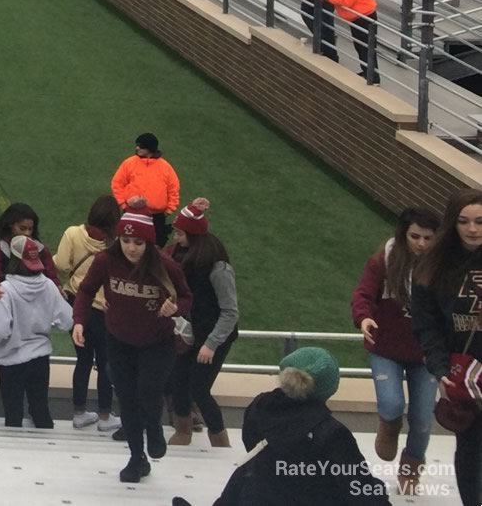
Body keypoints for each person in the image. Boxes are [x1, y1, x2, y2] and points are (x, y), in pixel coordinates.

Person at [73, 210, 190, 484]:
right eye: (126, 241)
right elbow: (87, 289)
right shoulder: (106, 261)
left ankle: (155, 427)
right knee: (126, 398)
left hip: (158, 342)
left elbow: (186, 296)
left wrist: (175, 309)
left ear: (148, 243)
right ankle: (137, 458)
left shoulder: (165, 265)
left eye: (138, 242)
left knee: (148, 391)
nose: (131, 248)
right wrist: (79, 321)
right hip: (119, 340)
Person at [199, 348, 388, 505]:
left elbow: (253, 449)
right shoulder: (333, 433)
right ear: (328, 389)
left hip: (258, 495)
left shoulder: (258, 407)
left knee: (248, 471)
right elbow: (361, 491)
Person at [353, 205, 439, 493]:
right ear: (404, 235)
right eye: (415, 237)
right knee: (391, 404)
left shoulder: (443, 267)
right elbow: (363, 292)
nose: (421, 244)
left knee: (423, 417)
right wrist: (364, 316)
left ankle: (411, 468)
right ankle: (388, 428)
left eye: (428, 238)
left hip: (426, 352)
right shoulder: (384, 261)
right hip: (386, 346)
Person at [413, 190, 482, 505]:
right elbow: (427, 326)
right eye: (464, 221)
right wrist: (440, 369)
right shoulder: (433, 267)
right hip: (465, 375)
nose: (472, 229)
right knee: (470, 446)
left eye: (480, 221)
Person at [167, 198, 240, 448]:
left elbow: (230, 312)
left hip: (214, 338)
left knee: (199, 388)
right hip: (192, 333)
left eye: (179, 232)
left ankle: (219, 438)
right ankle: (182, 432)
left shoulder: (218, 268)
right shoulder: (182, 256)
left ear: (193, 235)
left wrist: (210, 344)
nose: (176, 237)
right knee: (177, 381)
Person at [0, 234, 71, 428]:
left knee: (13, 415)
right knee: (41, 412)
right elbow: (67, 321)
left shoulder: (3, 291)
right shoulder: (48, 285)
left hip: (11, 362)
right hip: (40, 359)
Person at [56, 195, 120, 431]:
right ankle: (105, 415)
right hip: (104, 310)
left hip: (77, 304)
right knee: (104, 362)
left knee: (83, 361)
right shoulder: (116, 243)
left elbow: (62, 265)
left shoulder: (72, 234)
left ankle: (79, 412)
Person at [112, 132, 181, 244]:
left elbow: (174, 188)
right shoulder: (129, 163)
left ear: (150, 148)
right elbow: (117, 184)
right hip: (132, 212)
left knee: (156, 245)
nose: (137, 147)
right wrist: (123, 205)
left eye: (141, 146)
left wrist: (170, 209)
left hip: (157, 216)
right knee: (128, 242)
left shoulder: (165, 167)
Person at [323, 0, 379, 78]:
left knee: (366, 48)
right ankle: (367, 71)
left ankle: (373, 77)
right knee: (360, 47)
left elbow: (345, 1)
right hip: (357, 18)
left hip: (364, 18)